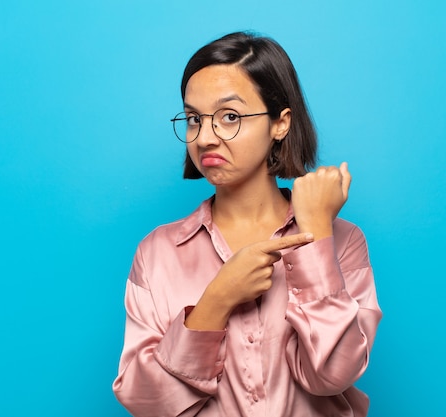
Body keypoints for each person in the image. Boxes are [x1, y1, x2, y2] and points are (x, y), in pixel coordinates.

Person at [112, 31, 382, 417]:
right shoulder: (158, 252)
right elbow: (146, 401)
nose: (204, 138)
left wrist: (317, 236)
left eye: (230, 117)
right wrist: (216, 301)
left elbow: (332, 376)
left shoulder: (342, 240)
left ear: (280, 123)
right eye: (193, 119)